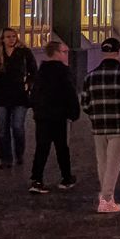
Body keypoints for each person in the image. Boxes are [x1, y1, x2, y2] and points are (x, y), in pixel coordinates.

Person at [81, 38, 120, 213]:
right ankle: (106, 199)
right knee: (114, 163)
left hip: (99, 125)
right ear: (119, 52)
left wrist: (95, 114)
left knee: (103, 162)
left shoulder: (90, 76)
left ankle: (107, 195)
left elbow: (85, 103)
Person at [28, 41, 80, 193]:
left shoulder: (41, 71)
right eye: (64, 52)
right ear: (56, 53)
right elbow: (70, 92)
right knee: (62, 147)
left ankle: (36, 179)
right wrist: (73, 112)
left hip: (43, 115)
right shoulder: (63, 71)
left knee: (42, 147)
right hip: (58, 115)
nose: (66, 55)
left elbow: (35, 93)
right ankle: (66, 177)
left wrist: (37, 109)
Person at [0, 28, 37, 169]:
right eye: (8, 37)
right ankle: (5, 158)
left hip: (19, 96)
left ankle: (19, 154)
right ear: (2, 39)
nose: (11, 39)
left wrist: (29, 83)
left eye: (13, 36)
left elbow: (33, 70)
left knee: (17, 127)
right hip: (2, 96)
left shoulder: (24, 53)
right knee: (3, 130)